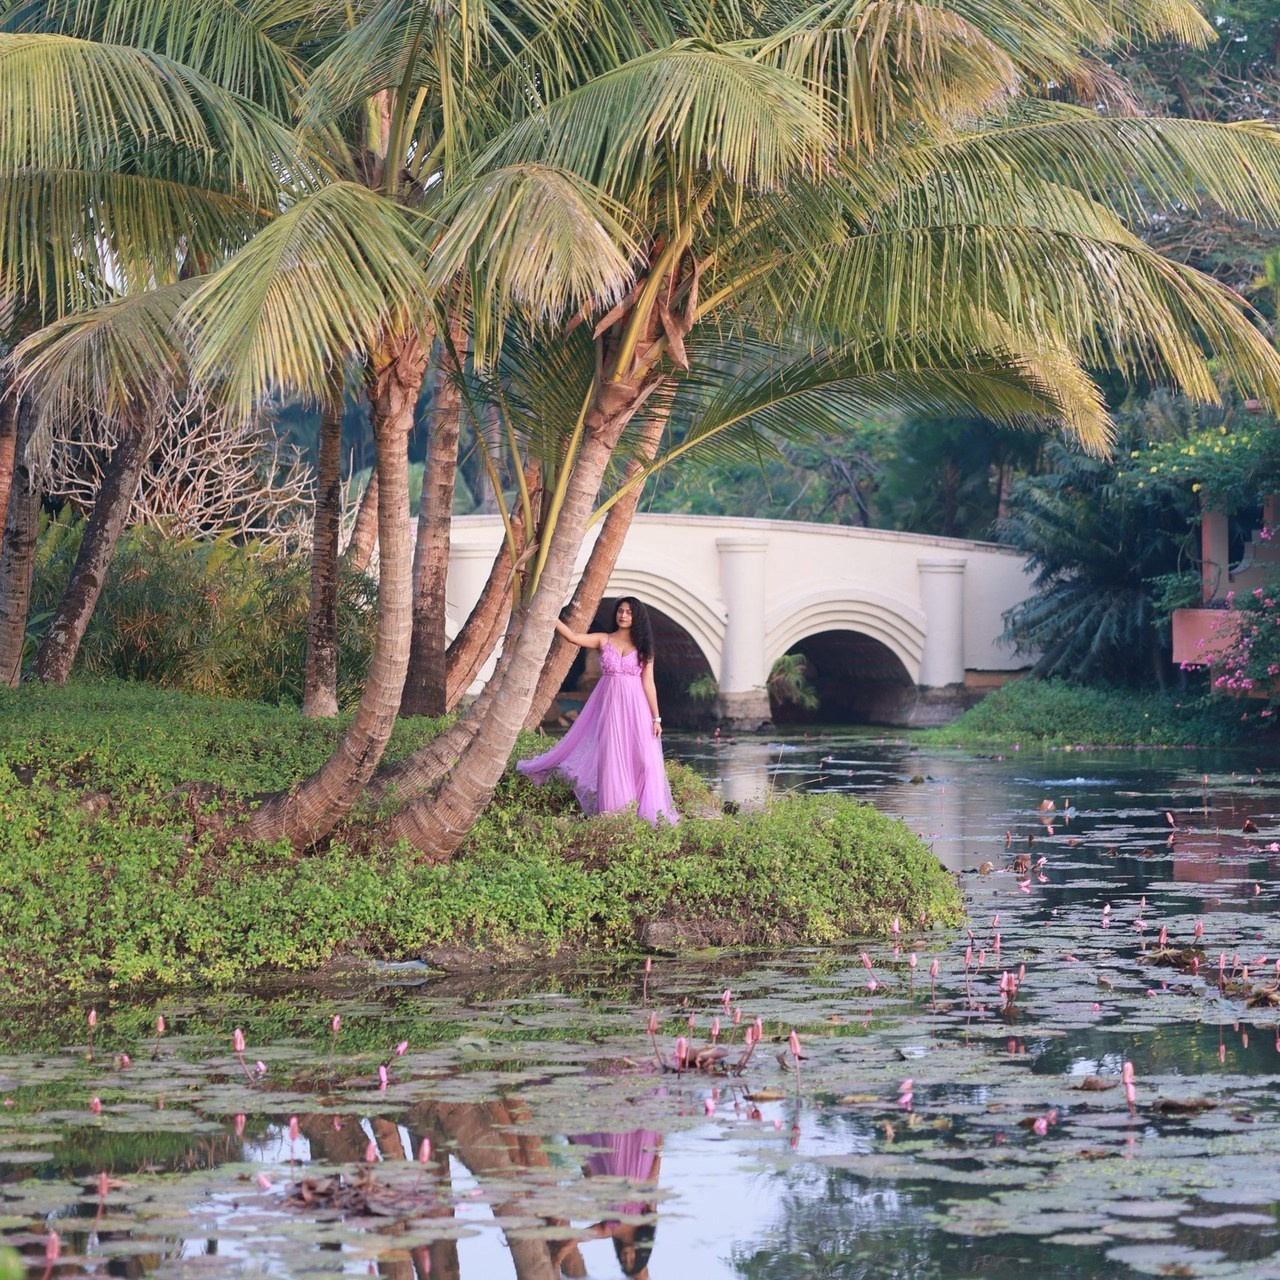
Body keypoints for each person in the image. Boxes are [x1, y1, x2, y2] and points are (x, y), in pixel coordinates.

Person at [518, 597, 679, 825]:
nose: (623, 615)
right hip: (611, 709)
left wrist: (656, 717)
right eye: (620, 611)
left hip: (638, 709)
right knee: (613, 758)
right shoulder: (604, 639)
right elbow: (573, 637)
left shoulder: (644, 648)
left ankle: (646, 811)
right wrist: (549, 614)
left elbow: (648, 684)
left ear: (637, 617)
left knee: (644, 759)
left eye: (628, 612)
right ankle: (616, 814)